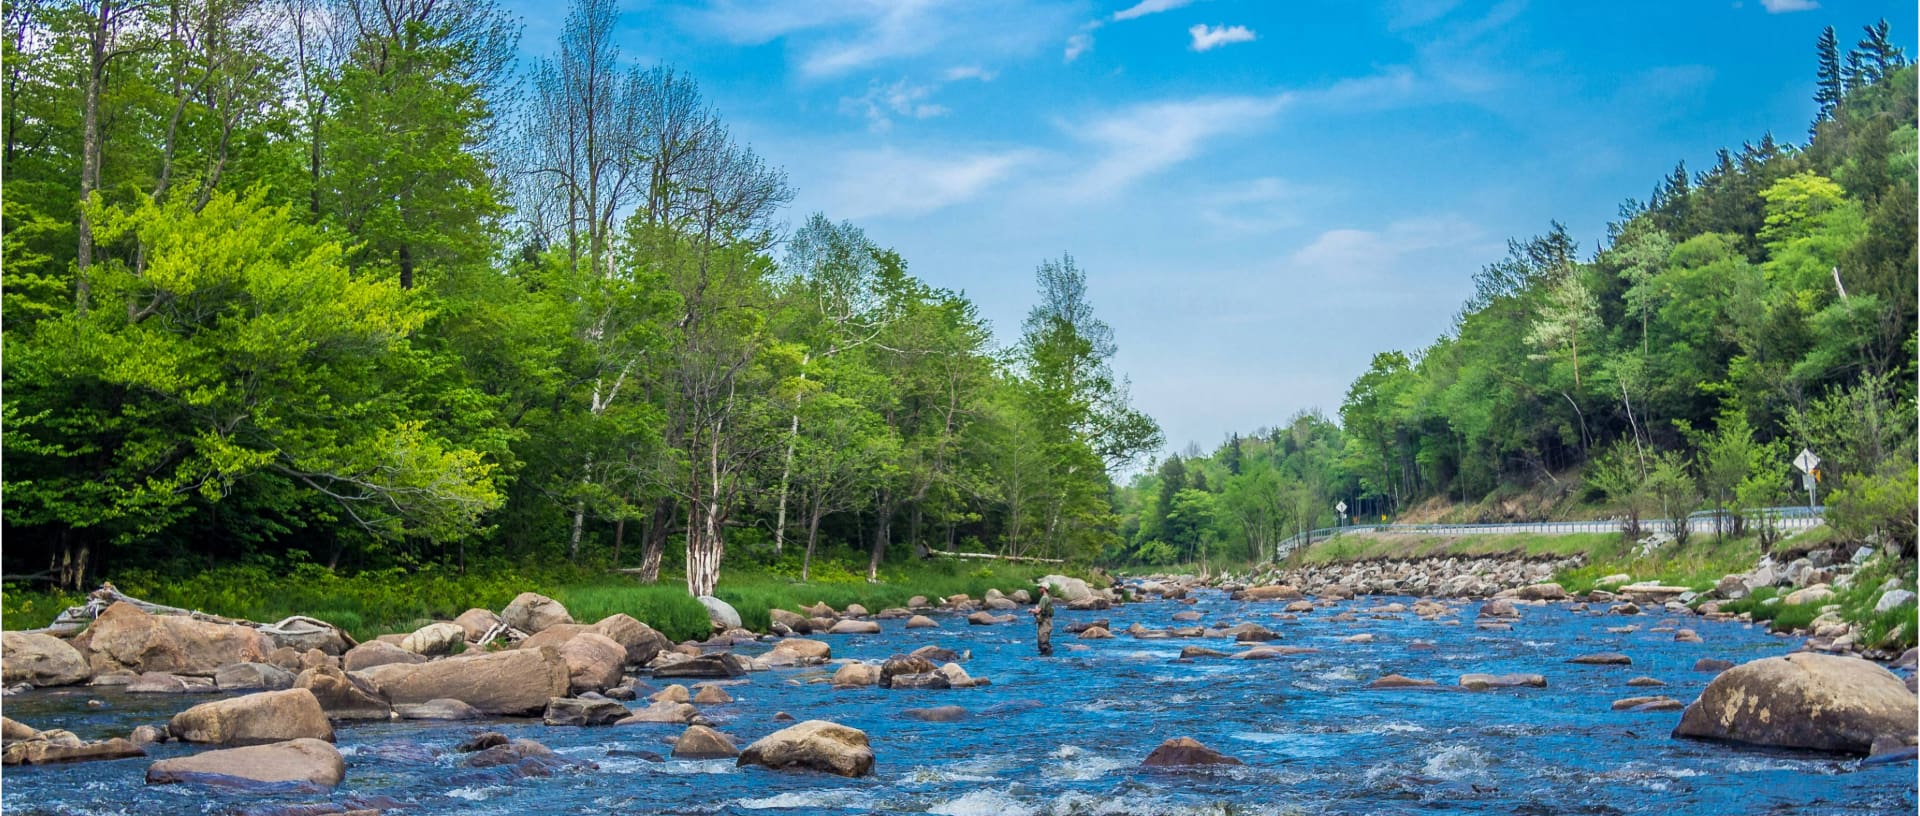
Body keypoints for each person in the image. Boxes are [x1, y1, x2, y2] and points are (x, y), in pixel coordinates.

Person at [1031, 584, 1054, 656]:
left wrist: (1031, 610)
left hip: (1045, 622)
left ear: (1044, 588)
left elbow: (1038, 611)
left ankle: (1046, 659)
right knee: (1045, 641)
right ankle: (1047, 657)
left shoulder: (1044, 598)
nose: (1038, 589)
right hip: (1047, 621)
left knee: (1043, 643)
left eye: (1040, 587)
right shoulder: (1048, 597)